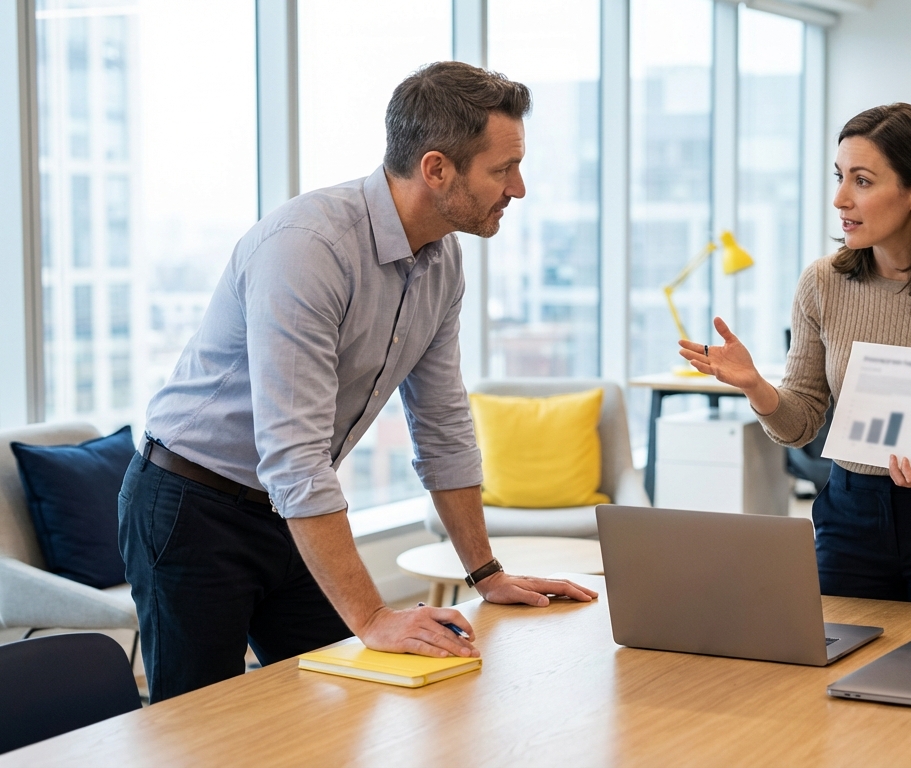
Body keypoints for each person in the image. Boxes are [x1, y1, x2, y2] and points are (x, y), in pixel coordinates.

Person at [118, 62, 596, 703]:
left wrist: (486, 574)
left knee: (345, 705)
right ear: (437, 169)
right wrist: (373, 617)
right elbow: (293, 455)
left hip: (290, 510)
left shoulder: (442, 258)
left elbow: (443, 425)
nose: (519, 187)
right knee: (200, 724)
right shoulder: (307, 248)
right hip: (192, 503)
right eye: (502, 169)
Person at [678, 103, 911, 609]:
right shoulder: (822, 283)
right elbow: (802, 423)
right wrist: (756, 387)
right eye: (839, 177)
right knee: (840, 678)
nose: (840, 198)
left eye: (863, 181)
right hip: (849, 514)